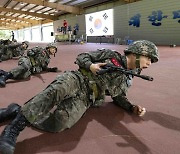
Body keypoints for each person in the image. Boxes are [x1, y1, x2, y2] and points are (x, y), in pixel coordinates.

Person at [0, 40, 159, 154]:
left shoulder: (128, 77)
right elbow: (82, 56)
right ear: (137, 53)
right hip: (78, 78)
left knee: (59, 123)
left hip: (88, 98)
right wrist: (91, 66)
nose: (150, 63)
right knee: (56, 91)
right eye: (149, 58)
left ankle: (17, 111)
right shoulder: (111, 55)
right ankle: (13, 129)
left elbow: (118, 96)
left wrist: (131, 107)